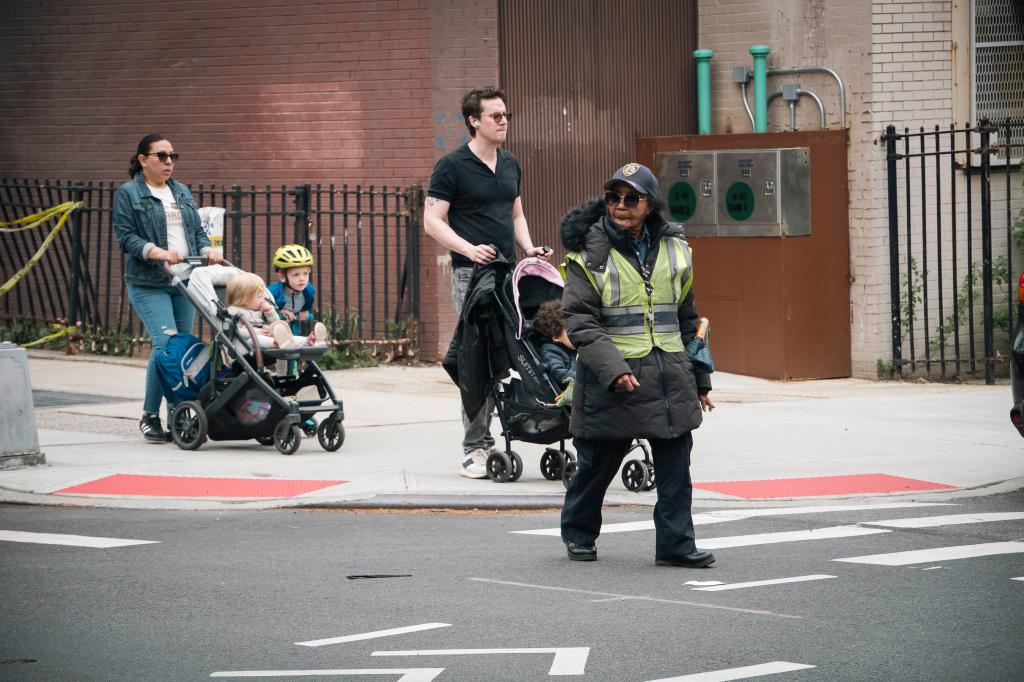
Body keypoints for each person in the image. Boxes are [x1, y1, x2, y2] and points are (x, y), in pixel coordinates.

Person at [558, 162, 716, 567]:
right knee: (595, 466)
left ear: (651, 204)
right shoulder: (586, 255)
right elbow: (581, 323)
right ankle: (578, 533)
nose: (620, 205)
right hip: (613, 379)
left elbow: (688, 318)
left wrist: (700, 378)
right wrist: (614, 370)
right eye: (613, 197)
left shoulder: (677, 250)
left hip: (669, 375)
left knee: (676, 467)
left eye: (631, 198)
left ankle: (676, 545)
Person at [423, 85, 551, 478]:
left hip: (509, 274)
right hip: (471, 275)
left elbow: (515, 215)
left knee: (510, 356)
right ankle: (475, 448)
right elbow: (431, 221)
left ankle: (518, 429)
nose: (503, 121)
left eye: (506, 115)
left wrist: (528, 248)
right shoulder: (452, 166)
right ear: (473, 121)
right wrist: (468, 247)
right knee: (476, 359)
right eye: (495, 116)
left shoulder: (511, 163)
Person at [113, 133, 224, 443]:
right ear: (142, 160)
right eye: (162, 156)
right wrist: (157, 251)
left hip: (185, 281)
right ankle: (150, 415)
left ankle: (177, 410)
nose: (169, 162)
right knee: (165, 346)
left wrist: (206, 250)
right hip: (150, 282)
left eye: (173, 156)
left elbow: (197, 232)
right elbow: (126, 238)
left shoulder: (181, 191)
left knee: (182, 348)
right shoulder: (129, 193)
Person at [224, 272, 326, 351]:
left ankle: (309, 341)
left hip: (269, 335)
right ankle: (278, 343)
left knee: (287, 334)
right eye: (259, 297)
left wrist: (269, 311)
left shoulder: (260, 310)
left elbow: (275, 322)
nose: (263, 299)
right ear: (246, 299)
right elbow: (236, 331)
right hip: (247, 343)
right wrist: (256, 332)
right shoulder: (233, 311)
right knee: (259, 339)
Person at [532, 299, 576, 406]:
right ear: (556, 337)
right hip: (571, 392)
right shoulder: (550, 350)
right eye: (571, 331)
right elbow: (558, 373)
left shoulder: (579, 347)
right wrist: (584, 377)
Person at [267, 244, 316, 335]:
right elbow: (265, 310)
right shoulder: (273, 291)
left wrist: (303, 311)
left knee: (309, 317)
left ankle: (310, 338)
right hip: (277, 324)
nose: (302, 278)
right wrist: (280, 311)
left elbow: (307, 305)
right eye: (296, 274)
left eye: (305, 273)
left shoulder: (309, 290)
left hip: (297, 321)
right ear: (282, 277)